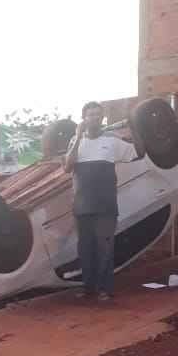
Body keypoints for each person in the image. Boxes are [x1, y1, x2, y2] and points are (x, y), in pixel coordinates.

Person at [64, 101, 139, 301]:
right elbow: (67, 167)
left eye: (98, 114)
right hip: (82, 207)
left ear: (102, 118)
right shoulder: (75, 141)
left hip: (105, 206)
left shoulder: (112, 141)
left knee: (105, 248)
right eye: (90, 115)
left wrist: (138, 129)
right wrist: (78, 136)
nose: (94, 118)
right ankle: (89, 289)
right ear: (84, 119)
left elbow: (137, 153)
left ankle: (105, 289)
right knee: (85, 249)